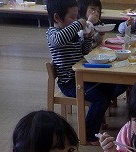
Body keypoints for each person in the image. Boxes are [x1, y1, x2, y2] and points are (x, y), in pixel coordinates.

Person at [46, 0, 125, 144]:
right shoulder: (53, 33)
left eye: (76, 17)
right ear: (57, 18)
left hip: (82, 77)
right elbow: (58, 40)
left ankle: (97, 116)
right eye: (72, 17)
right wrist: (80, 23)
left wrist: (88, 39)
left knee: (115, 86)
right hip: (69, 83)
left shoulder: (72, 33)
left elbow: (84, 52)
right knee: (100, 98)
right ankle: (88, 134)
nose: (75, 20)